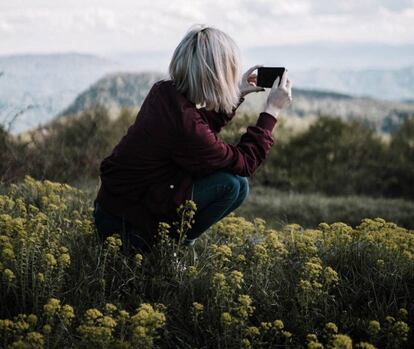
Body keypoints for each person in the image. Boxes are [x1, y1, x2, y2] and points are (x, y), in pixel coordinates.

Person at [93, 24, 292, 255]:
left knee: (237, 186)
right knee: (232, 185)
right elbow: (245, 162)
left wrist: (236, 94)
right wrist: (271, 112)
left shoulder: (164, 92)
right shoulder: (186, 126)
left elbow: (196, 128)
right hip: (124, 227)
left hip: (113, 209)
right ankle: (170, 248)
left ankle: (170, 242)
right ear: (216, 76)